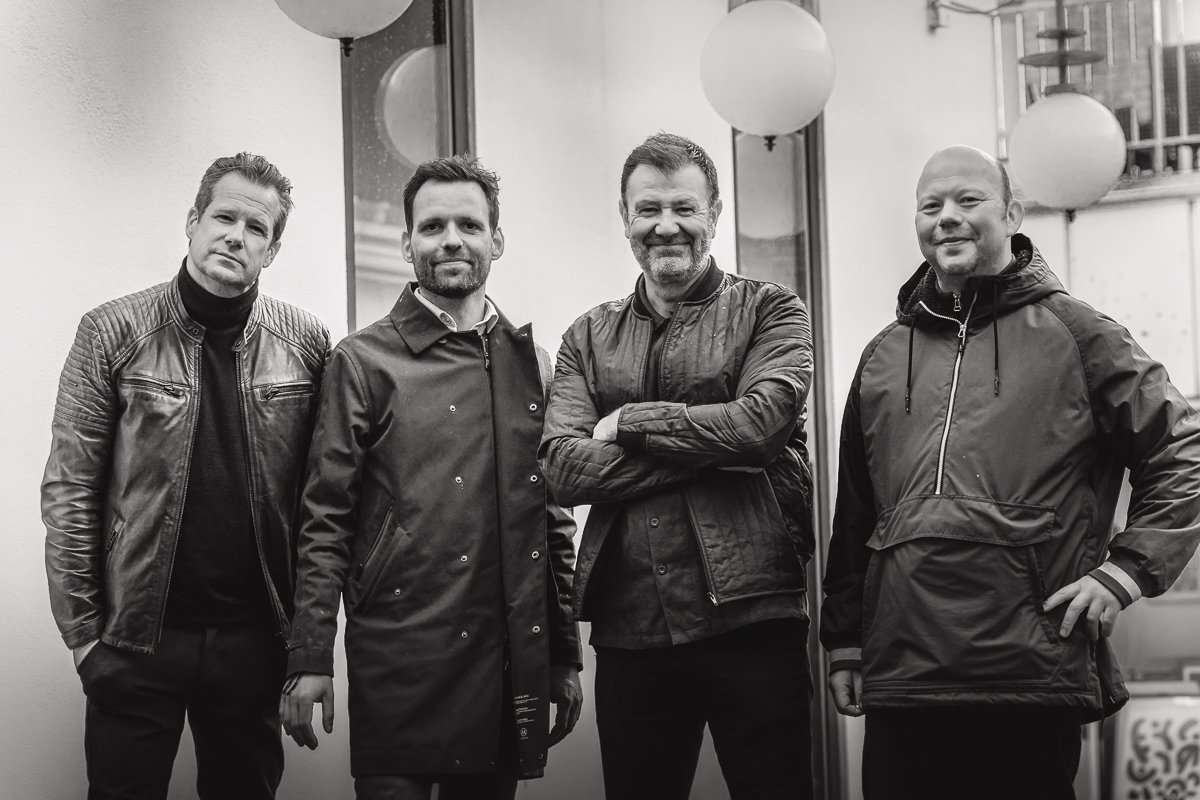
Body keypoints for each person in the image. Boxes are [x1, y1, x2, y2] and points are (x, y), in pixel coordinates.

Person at [821, 144, 1200, 799]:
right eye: (930, 205)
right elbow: (856, 511)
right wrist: (844, 640)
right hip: (904, 673)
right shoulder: (883, 354)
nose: (947, 216)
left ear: (1012, 214)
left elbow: (1183, 451)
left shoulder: (1081, 333)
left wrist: (1125, 573)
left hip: (1030, 670)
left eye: (968, 200)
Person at [280, 154, 582, 800]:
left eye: (469, 225)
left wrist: (562, 653)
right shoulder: (362, 362)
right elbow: (324, 519)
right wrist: (309, 657)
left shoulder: (534, 364)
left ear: (496, 240)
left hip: (505, 661)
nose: (451, 240)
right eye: (433, 226)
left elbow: (551, 520)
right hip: (398, 656)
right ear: (407, 243)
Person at [41, 152, 331, 800]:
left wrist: (307, 643)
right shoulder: (113, 330)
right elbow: (69, 491)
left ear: (273, 249)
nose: (236, 236)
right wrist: (85, 639)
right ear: (194, 221)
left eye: (256, 228)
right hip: (134, 640)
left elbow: (322, 506)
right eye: (224, 217)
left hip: (254, 642)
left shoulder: (308, 345)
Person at [540, 132, 816, 800]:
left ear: (714, 213)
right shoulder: (587, 336)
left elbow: (759, 427)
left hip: (753, 621)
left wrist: (631, 423)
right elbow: (562, 470)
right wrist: (718, 449)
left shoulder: (772, 309)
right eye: (649, 209)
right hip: (631, 627)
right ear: (625, 217)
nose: (666, 225)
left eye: (684, 208)